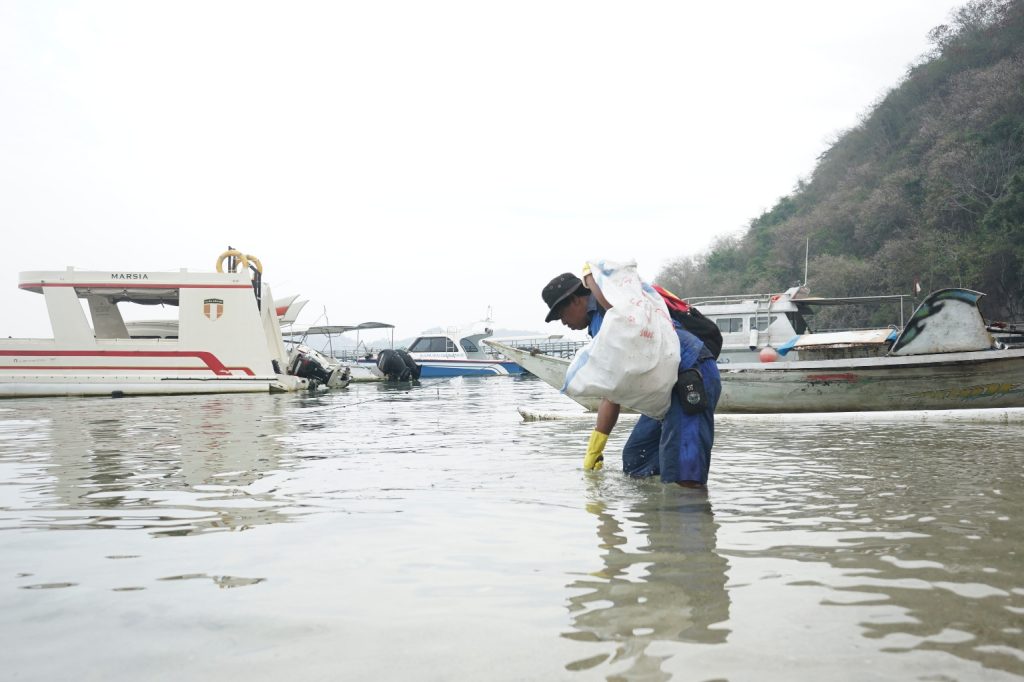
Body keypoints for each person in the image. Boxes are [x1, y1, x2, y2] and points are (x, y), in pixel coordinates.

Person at [541, 269, 722, 487]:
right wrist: (595, 447)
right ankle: (657, 505)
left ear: (574, 300)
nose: (563, 323)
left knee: (684, 474)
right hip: (668, 386)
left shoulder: (612, 305)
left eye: (561, 314)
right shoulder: (598, 325)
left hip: (691, 375)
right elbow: (613, 390)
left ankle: (686, 502)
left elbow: (612, 394)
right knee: (637, 458)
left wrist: (591, 277)